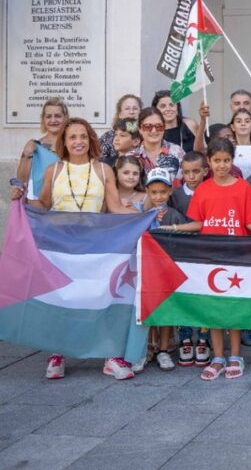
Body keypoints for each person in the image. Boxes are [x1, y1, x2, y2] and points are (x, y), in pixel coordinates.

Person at [19, 118, 136, 380]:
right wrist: (24, 200)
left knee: (103, 298)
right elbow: (44, 204)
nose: (78, 141)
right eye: (72, 137)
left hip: (97, 247)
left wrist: (144, 215)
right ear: (64, 141)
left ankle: (110, 357)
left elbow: (115, 207)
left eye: (83, 136)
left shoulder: (104, 170)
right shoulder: (54, 170)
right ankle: (57, 354)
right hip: (62, 246)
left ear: (90, 139)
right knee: (62, 299)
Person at [164, 138, 251, 380]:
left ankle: (235, 356)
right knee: (214, 309)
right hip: (210, 258)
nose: (222, 165)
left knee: (234, 307)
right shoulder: (203, 189)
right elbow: (199, 223)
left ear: (232, 161)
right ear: (209, 162)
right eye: (217, 160)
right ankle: (218, 357)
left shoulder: (243, 188)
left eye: (226, 160)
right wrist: (175, 228)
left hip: (237, 258)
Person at [144, 167, 187, 371]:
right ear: (147, 192)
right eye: (154, 192)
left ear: (170, 191)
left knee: (166, 309)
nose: (158, 196)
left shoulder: (175, 216)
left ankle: (163, 350)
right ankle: (148, 348)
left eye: (163, 191)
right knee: (148, 309)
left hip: (169, 270)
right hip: (148, 270)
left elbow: (185, 240)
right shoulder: (142, 215)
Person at [16, 98, 68, 200]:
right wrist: (26, 154)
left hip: (68, 202)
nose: (53, 120)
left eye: (58, 116)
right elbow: (21, 181)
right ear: (43, 119)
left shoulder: (74, 144)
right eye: (48, 116)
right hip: (41, 203)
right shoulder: (35, 146)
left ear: (65, 118)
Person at [132, 108, 184, 177]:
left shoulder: (177, 152)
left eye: (158, 126)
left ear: (164, 127)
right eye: (148, 127)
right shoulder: (132, 156)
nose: (154, 131)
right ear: (140, 129)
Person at [99, 94, 143, 165]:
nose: (131, 112)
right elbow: (99, 160)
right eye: (127, 108)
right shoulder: (108, 136)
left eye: (135, 108)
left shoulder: (146, 134)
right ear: (120, 114)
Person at [229, 109, 251, 178]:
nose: (243, 124)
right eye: (239, 121)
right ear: (232, 127)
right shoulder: (228, 149)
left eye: (247, 121)